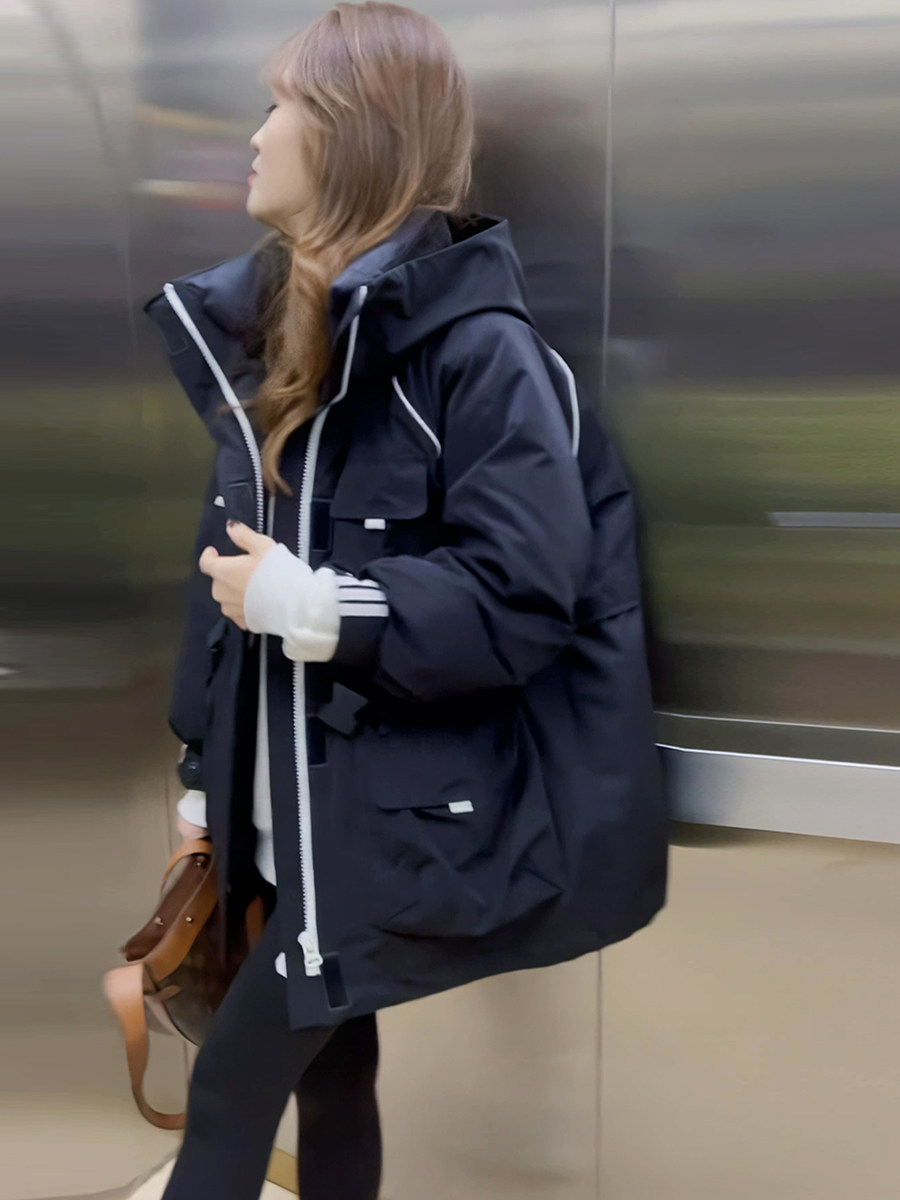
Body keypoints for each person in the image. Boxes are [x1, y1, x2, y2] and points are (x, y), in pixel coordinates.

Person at [144, 4, 667, 1197]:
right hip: (287, 823)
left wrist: (313, 602)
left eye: (284, 105)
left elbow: (522, 594)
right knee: (334, 1081)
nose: (256, 134)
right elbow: (222, 600)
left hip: (382, 830)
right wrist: (202, 779)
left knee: (230, 1091)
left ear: (353, 136)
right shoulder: (277, 347)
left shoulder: (480, 355)